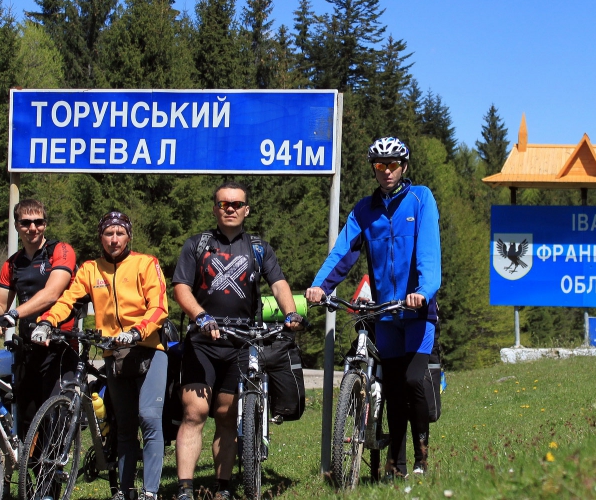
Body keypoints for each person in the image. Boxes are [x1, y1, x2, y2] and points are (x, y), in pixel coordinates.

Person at [306, 136, 441, 477]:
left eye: (393, 164)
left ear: (404, 166)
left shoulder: (420, 199)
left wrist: (423, 291)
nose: (387, 171)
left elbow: (428, 252)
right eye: (380, 165)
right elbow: (343, 252)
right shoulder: (364, 211)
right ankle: (398, 466)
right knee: (393, 390)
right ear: (374, 169)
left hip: (417, 310)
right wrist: (321, 286)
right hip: (385, 314)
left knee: (413, 380)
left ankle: (422, 457)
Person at [171, 181, 304, 500]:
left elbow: (279, 283)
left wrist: (290, 313)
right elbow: (181, 287)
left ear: (246, 209)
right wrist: (200, 316)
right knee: (194, 412)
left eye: (236, 204)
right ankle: (185, 489)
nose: (230, 208)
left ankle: (223, 487)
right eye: (223, 204)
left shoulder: (259, 248)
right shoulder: (198, 244)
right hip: (202, 341)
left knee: (227, 415)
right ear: (215, 208)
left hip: (242, 342)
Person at [33, 211, 168, 500]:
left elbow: (158, 307)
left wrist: (137, 331)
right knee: (125, 426)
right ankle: (125, 491)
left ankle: (150, 492)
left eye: (120, 233)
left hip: (149, 349)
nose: (114, 239)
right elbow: (68, 300)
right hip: (113, 352)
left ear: (129, 236)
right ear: (101, 237)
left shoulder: (146, 263)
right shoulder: (90, 269)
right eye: (108, 233)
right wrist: (47, 321)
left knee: (148, 417)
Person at [0, 198, 78, 439]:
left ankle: (57, 462)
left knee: (55, 418)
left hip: (59, 346)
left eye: (38, 222)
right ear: (16, 225)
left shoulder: (60, 251)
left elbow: (52, 293)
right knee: (26, 423)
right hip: (28, 349)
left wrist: (13, 314)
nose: (32, 228)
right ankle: (31, 464)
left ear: (45, 224)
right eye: (25, 223)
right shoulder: (12, 264)